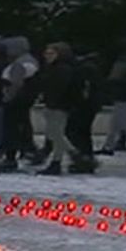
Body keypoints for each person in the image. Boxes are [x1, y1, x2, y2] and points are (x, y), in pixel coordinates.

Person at [35, 42, 91, 175]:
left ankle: (72, 155)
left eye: (51, 53)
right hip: (58, 105)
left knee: (56, 134)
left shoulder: (61, 69)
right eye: (46, 53)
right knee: (56, 134)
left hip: (59, 105)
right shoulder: (58, 68)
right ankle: (60, 160)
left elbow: (58, 89)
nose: (47, 56)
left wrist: (51, 101)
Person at [0, 36, 40, 171]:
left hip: (15, 101)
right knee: (22, 126)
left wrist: (7, 97)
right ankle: (29, 151)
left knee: (11, 129)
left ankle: (11, 156)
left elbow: (15, 84)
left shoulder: (19, 64)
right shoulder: (30, 61)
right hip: (24, 100)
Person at [99, 38, 126, 155]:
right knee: (115, 123)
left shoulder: (122, 63)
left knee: (125, 123)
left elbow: (113, 79)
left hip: (122, 95)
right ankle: (109, 146)